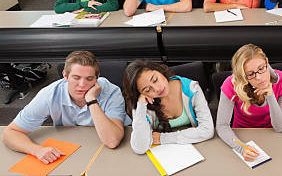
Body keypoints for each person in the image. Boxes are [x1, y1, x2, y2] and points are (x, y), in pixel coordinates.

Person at [1, 51, 129, 164]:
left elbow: (112, 141)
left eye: (89, 78)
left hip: (108, 145)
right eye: (76, 78)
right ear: (65, 76)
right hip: (72, 147)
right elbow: (10, 133)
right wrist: (36, 150)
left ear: (97, 77)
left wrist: (91, 100)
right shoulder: (50, 94)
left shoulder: (111, 92)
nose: (82, 85)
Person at [216, 44, 282, 161]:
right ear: (243, 76)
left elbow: (280, 127)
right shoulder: (231, 84)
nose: (259, 77)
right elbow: (222, 126)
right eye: (251, 74)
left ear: (267, 62)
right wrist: (241, 148)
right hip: (241, 136)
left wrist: (270, 95)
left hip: (272, 134)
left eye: (261, 68)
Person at [122, 60, 214, 154]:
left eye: (155, 80)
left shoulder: (191, 88)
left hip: (195, 148)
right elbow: (140, 148)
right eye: (148, 90)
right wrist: (141, 106)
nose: (157, 89)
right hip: (162, 154)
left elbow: (207, 130)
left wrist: (163, 138)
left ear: (159, 71)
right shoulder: (142, 104)